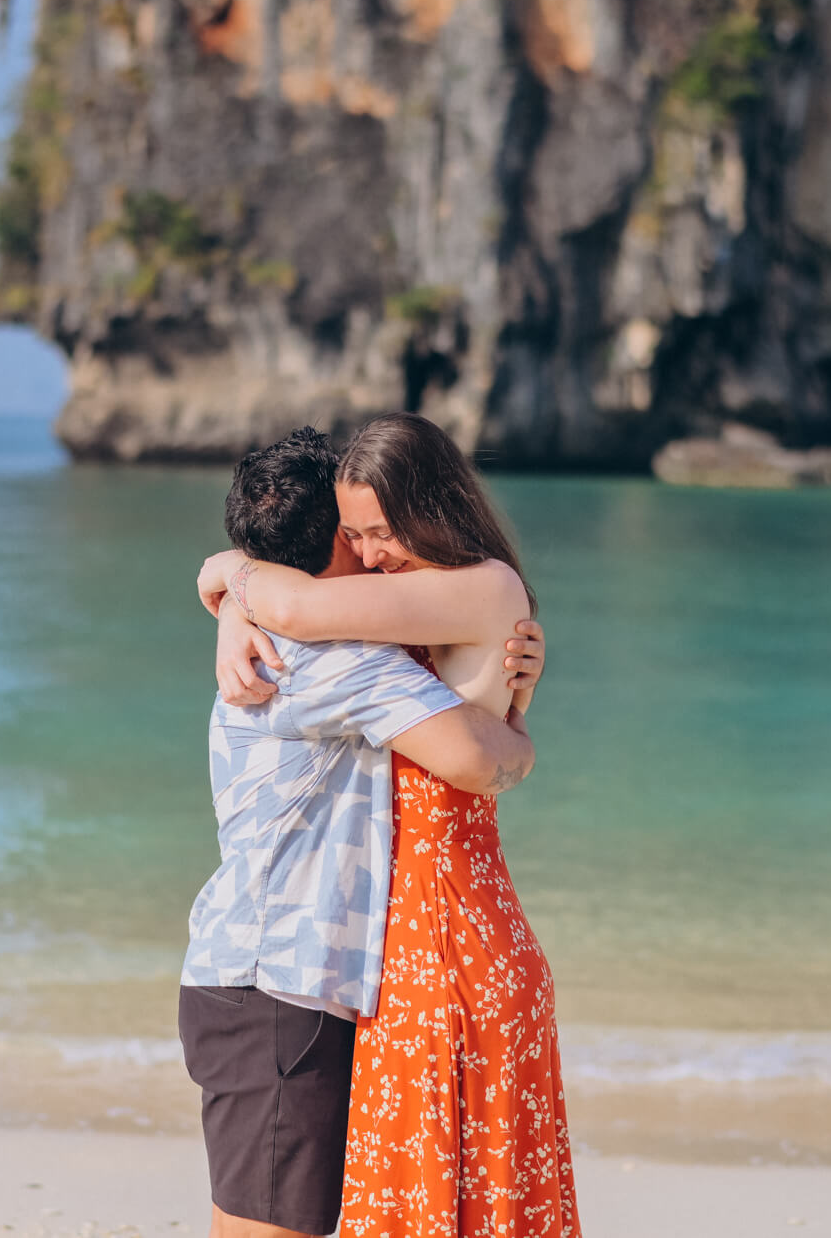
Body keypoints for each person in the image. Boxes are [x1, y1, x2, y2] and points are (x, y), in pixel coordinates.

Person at [197, 412, 582, 1238]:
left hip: (439, 952)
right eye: (355, 534)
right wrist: (234, 587)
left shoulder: (472, 594)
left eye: (380, 531)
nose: (369, 556)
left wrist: (232, 578)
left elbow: (297, 602)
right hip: (373, 967)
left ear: (431, 504)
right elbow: (487, 759)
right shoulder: (355, 647)